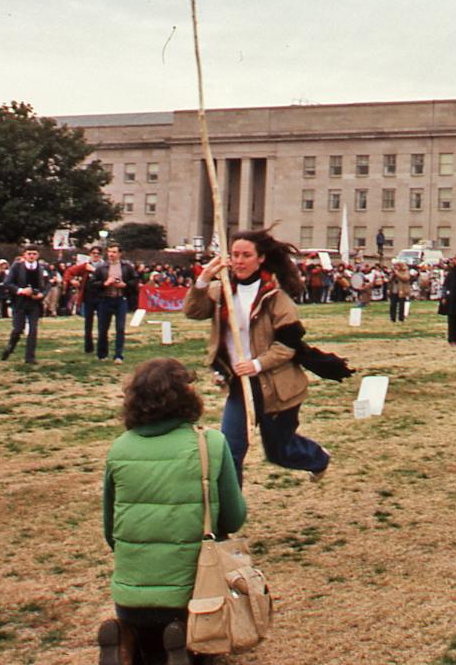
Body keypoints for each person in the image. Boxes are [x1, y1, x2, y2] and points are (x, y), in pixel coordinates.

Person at [100, 357, 246, 665]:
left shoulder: (120, 448)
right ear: (187, 397)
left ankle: (128, 643)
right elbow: (233, 518)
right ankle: (182, 649)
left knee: (147, 646)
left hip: (130, 595)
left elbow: (111, 532)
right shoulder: (211, 444)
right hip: (193, 596)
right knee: (197, 636)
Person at [183, 229, 331, 484]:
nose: (239, 261)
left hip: (277, 389)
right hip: (240, 386)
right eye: (235, 255)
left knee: (279, 452)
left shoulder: (276, 296)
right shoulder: (223, 292)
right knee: (229, 452)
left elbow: (288, 345)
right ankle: (229, 512)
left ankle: (318, 458)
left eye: (246, 255)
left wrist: (256, 364)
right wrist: (204, 279)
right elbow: (193, 311)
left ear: (260, 258)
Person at [1, 246, 51, 364]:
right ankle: (10, 346)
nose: (32, 256)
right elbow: (8, 283)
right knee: (18, 329)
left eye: (34, 254)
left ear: (38, 256)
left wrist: (42, 295)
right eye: (29, 254)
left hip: (34, 303)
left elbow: (48, 284)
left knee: (33, 330)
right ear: (24, 255)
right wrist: (21, 290)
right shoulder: (17, 267)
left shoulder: (41, 268)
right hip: (20, 302)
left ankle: (30, 357)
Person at [92, 243, 138, 364]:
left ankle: (118, 355)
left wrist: (125, 285)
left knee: (120, 328)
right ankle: (102, 354)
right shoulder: (102, 267)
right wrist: (104, 283)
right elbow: (92, 284)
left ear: (119, 254)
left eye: (114, 252)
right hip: (105, 299)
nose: (111, 254)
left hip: (120, 299)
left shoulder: (127, 267)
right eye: (109, 252)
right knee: (102, 328)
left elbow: (135, 281)